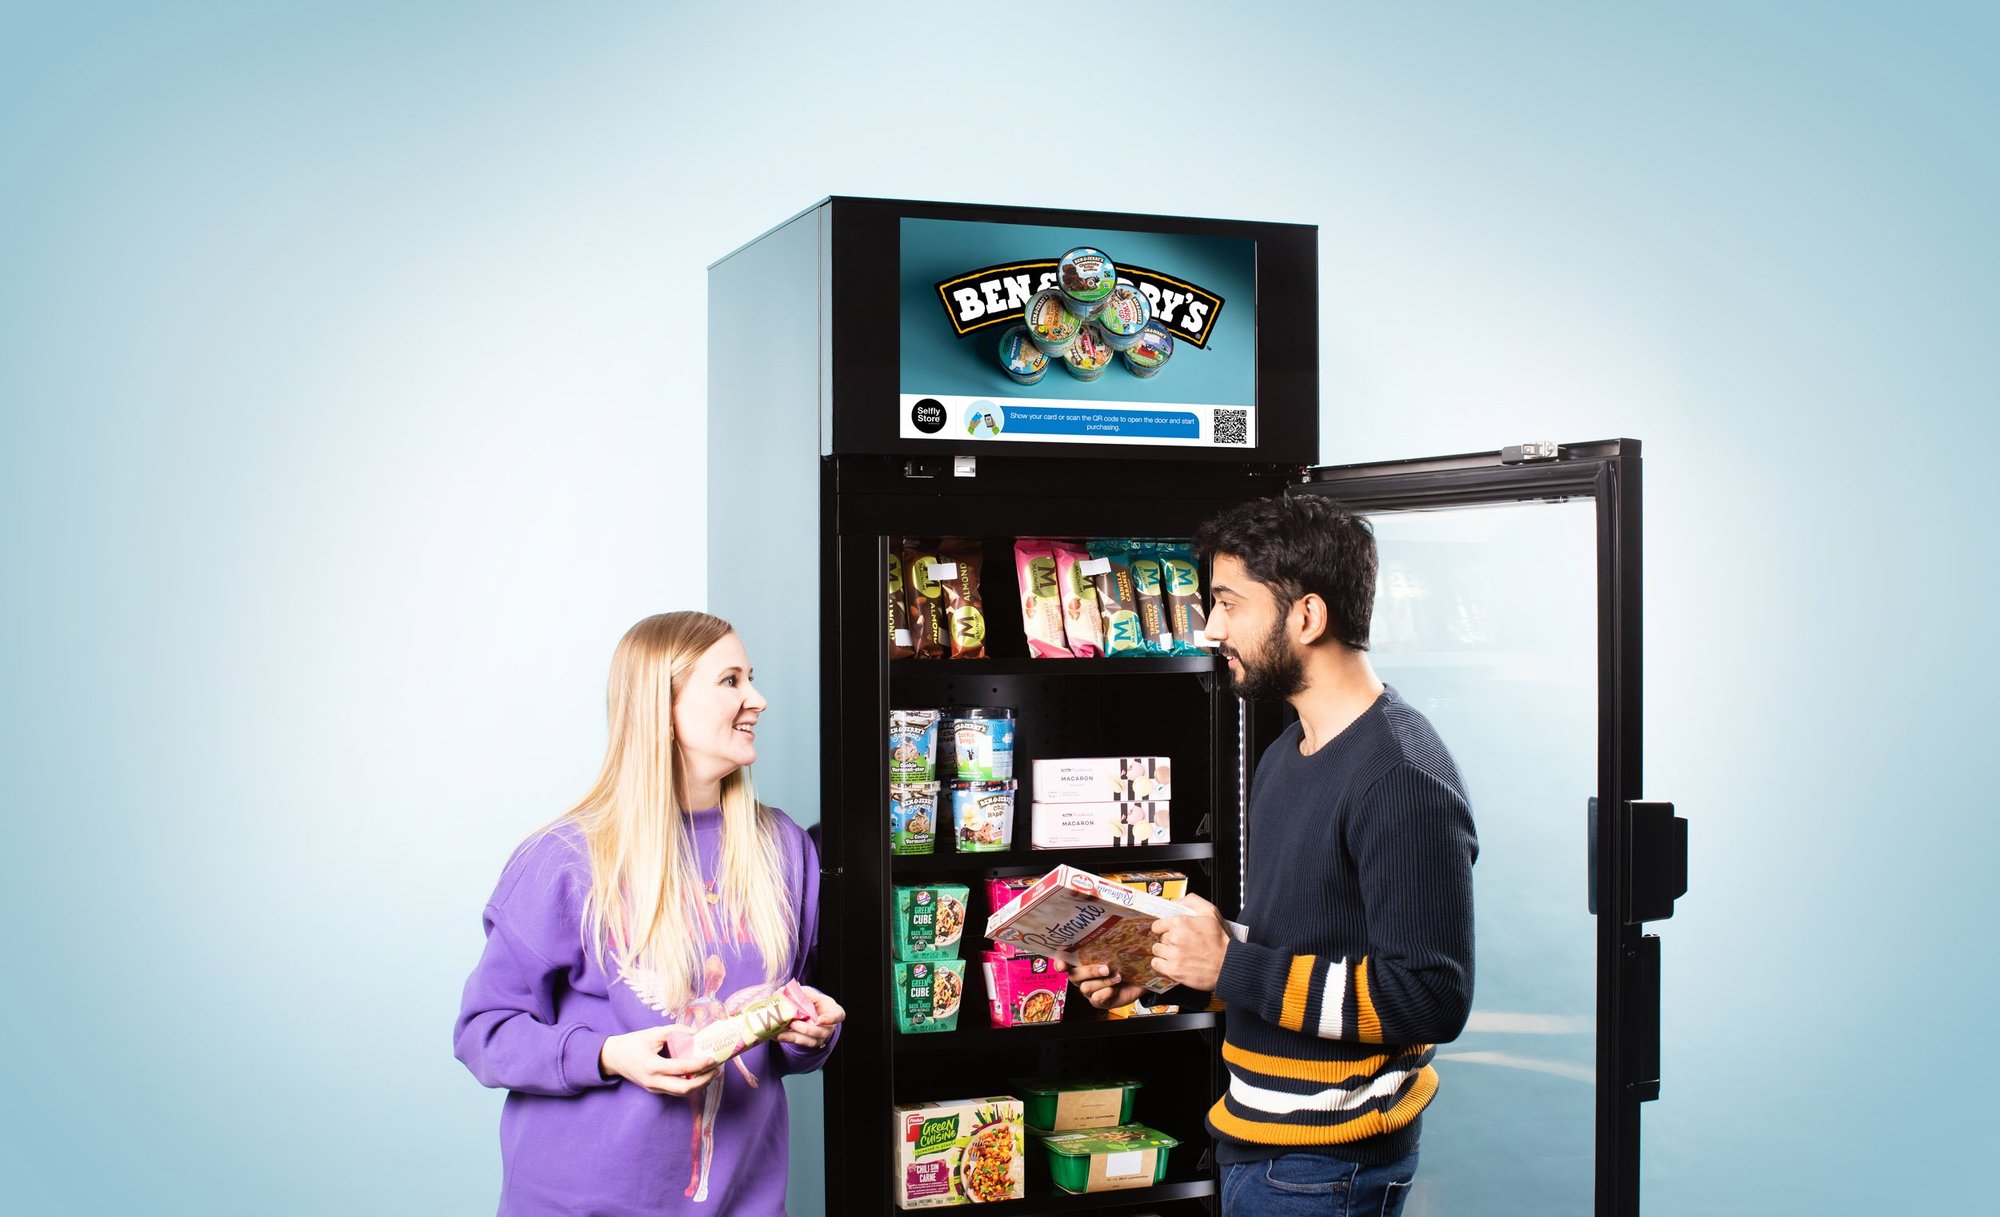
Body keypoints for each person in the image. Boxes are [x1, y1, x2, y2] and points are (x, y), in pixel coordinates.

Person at [1070, 496, 1477, 1215]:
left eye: (1229, 603)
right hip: (1261, 1148)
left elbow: (1427, 997)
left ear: (1307, 617)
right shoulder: (1288, 752)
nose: (1212, 626)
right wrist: (1167, 966)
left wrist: (1229, 962)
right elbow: (1304, 952)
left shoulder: (1400, 776)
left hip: (1329, 1169)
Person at [454, 611, 845, 1216]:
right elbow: (484, 1032)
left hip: (745, 1202)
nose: (758, 699)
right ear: (662, 708)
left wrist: (809, 1035)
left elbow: (792, 1044)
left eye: (752, 678)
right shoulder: (565, 860)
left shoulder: (784, 849)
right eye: (731, 681)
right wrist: (607, 1056)